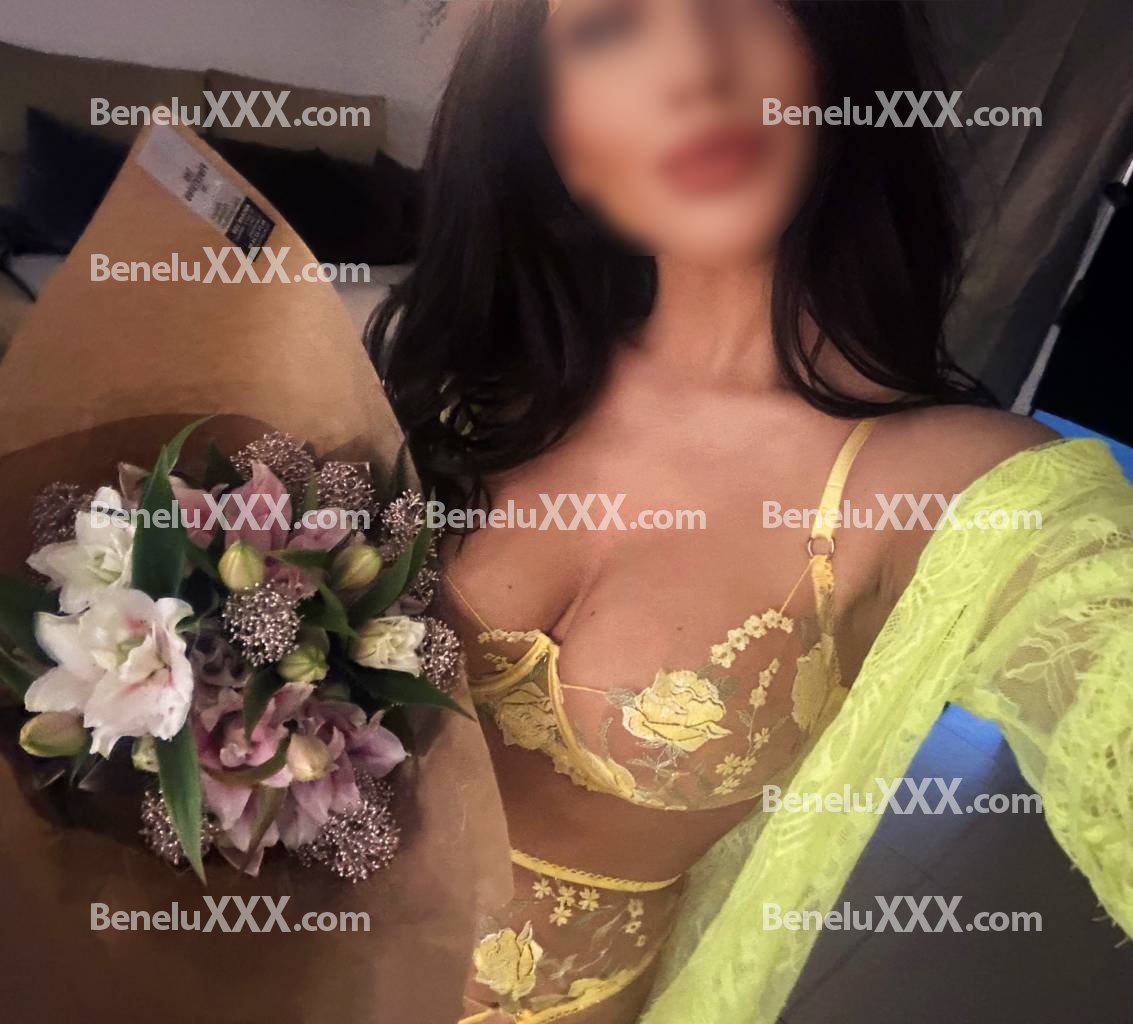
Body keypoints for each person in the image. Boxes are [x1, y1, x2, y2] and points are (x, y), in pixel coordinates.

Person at [371, 2, 1133, 1022]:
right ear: (546, 123)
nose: (695, 67)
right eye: (607, 27)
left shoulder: (959, 491)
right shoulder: (474, 380)